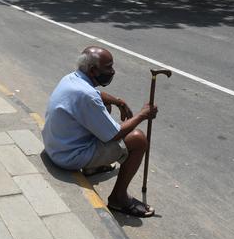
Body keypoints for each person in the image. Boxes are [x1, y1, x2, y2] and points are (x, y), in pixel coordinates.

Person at [42, 46, 158, 218]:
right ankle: (119, 198)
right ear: (93, 70)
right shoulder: (87, 95)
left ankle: (92, 168)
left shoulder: (72, 79)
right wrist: (142, 115)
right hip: (67, 156)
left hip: (54, 146)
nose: (113, 71)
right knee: (138, 139)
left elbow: (97, 95)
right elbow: (114, 134)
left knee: (105, 105)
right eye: (108, 67)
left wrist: (119, 101)